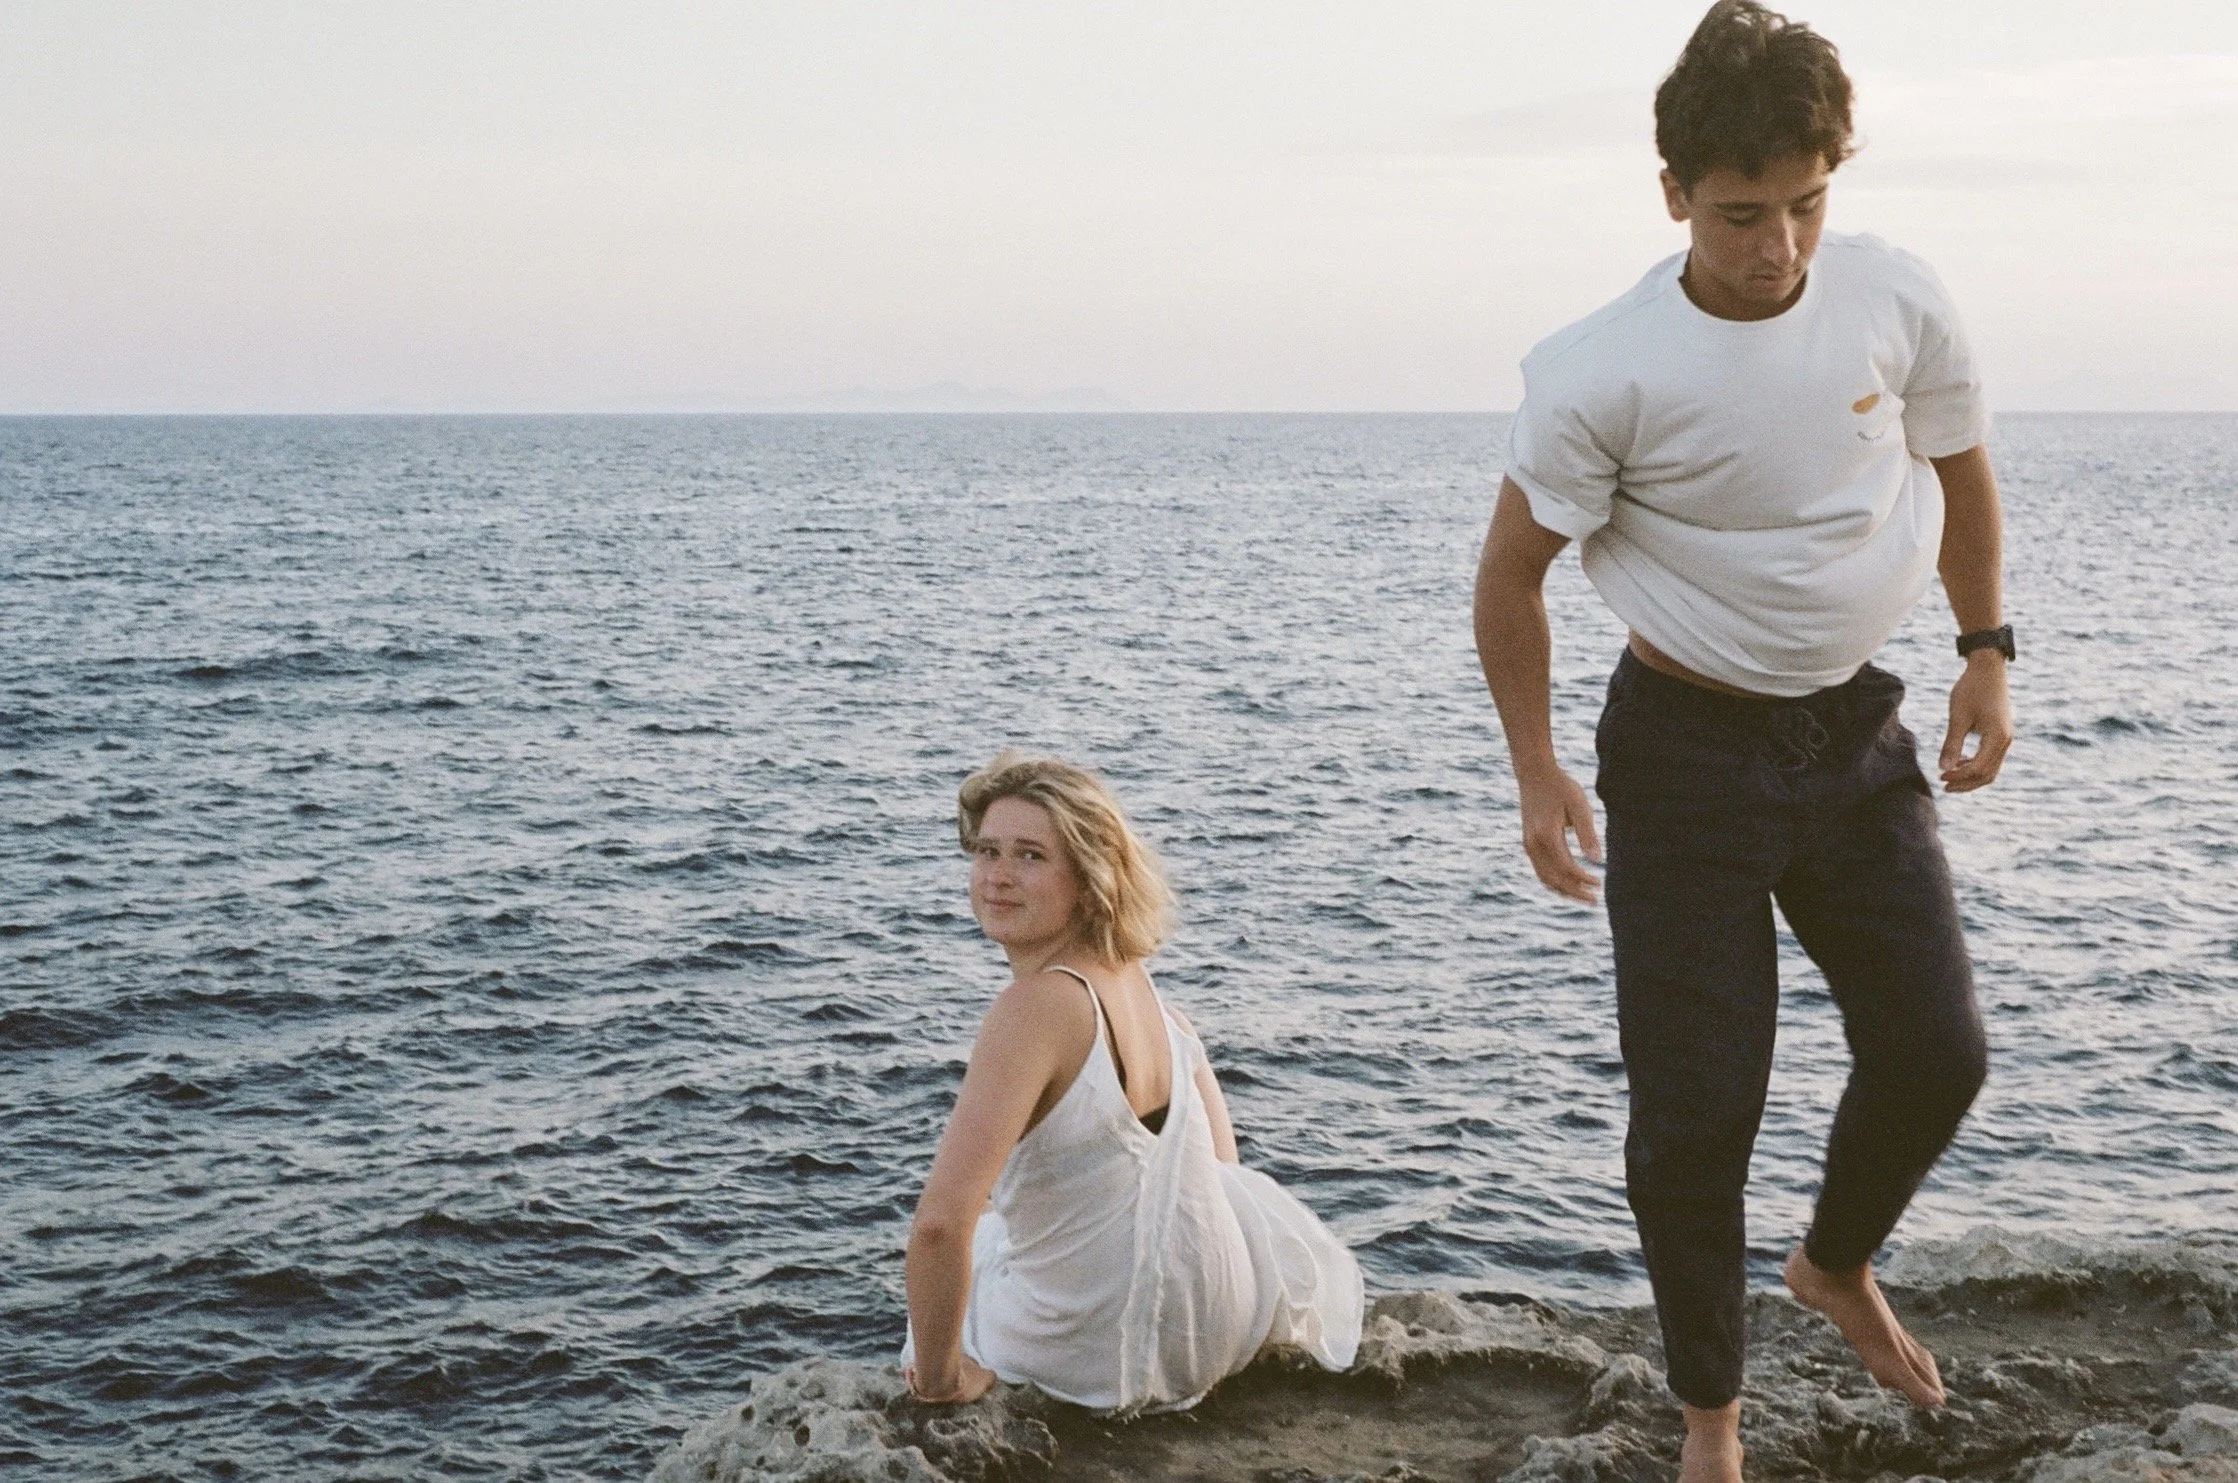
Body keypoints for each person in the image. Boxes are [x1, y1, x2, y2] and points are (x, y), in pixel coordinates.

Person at [1471, 4, 2010, 1480]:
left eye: (1805, 205)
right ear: (1673, 196)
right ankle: (1710, 1420)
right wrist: (1535, 769)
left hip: (1855, 734)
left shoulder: (1893, 295)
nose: (1778, 246)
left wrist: (1984, 650)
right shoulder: (1601, 368)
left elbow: (1959, 465)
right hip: (1684, 755)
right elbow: (1509, 577)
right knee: (1700, 1109)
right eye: (1739, 215)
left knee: (1937, 1049)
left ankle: (1833, 1263)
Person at [900, 751, 1362, 1411]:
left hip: (1091, 1362)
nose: (998, 876)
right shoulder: (1152, 999)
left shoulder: (1034, 1008)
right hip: (1211, 1335)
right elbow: (1222, 1172)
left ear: (1089, 878)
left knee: (968, 1247)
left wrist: (943, 1383)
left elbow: (938, 1227)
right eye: (987, 851)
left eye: (1030, 856)